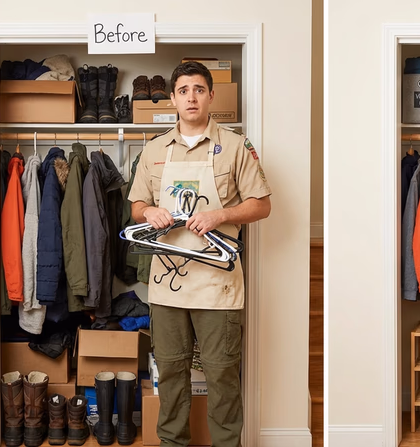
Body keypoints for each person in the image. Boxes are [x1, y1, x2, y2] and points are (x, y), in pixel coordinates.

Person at [128, 61, 272, 447]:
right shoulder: (154, 150)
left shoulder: (236, 147)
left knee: (222, 373)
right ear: (173, 98)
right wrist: (150, 212)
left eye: (198, 89)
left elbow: (261, 205)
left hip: (218, 285)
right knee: (171, 372)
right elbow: (136, 206)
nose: (191, 97)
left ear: (211, 95)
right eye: (183, 90)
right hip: (167, 284)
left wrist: (220, 214)